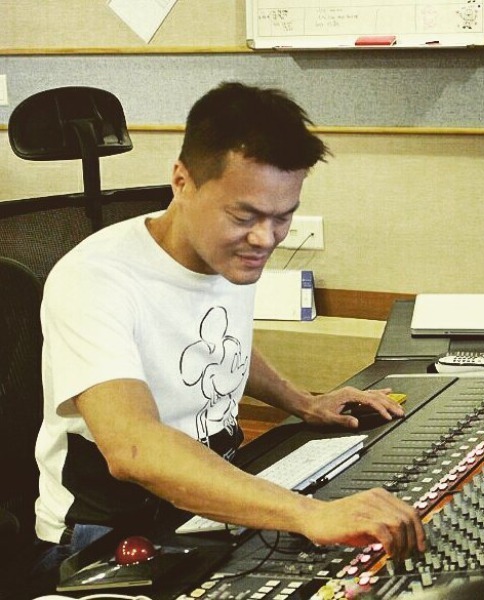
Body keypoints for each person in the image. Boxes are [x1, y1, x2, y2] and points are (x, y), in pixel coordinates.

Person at [33, 82, 425, 573]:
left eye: (283, 217)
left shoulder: (224, 254)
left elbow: (219, 345)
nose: (265, 239)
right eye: (244, 216)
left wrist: (303, 401)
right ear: (182, 182)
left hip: (208, 498)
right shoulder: (94, 278)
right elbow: (133, 448)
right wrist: (309, 515)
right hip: (106, 537)